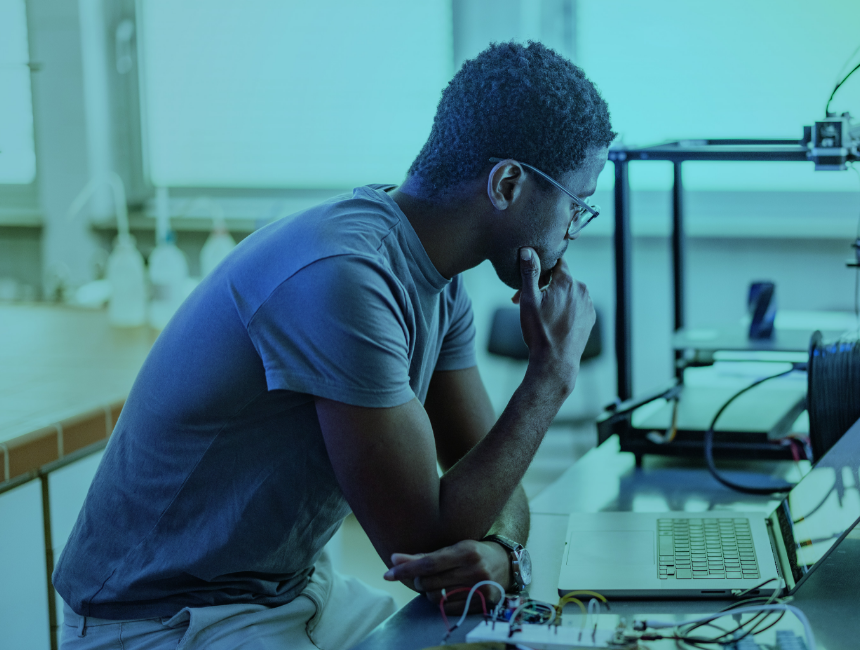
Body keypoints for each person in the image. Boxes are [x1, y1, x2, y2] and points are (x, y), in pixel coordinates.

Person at [52, 40, 615, 650]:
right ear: (506, 184)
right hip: (163, 621)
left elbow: (489, 480)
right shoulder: (347, 274)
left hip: (290, 591)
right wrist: (549, 377)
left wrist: (503, 551)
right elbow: (421, 542)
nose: (572, 231)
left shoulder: (438, 279)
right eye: (576, 205)